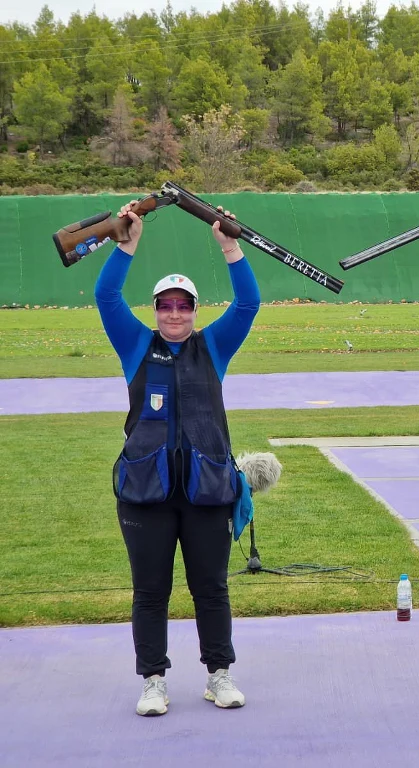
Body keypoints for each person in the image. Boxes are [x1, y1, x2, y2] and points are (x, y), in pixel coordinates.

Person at [95, 202, 260, 716]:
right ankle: (153, 681)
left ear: (194, 310)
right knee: (150, 592)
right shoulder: (134, 345)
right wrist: (127, 245)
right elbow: (105, 296)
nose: (173, 314)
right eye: (165, 305)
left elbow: (248, 303)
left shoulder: (214, 347)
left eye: (183, 306)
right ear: (155, 310)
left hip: (208, 491)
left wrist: (230, 248)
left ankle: (219, 674)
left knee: (211, 588)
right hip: (145, 493)